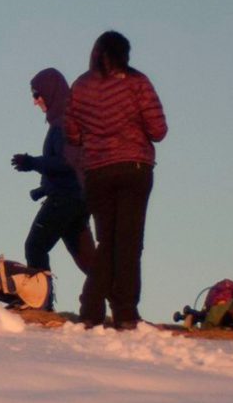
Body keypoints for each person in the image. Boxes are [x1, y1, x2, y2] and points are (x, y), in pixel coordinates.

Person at [64, 30, 167, 329]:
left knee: (106, 240)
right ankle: (125, 312)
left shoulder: (80, 86)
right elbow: (158, 130)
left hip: (97, 171)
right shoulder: (138, 83)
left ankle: (91, 308)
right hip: (134, 167)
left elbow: (71, 133)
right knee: (130, 242)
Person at [11, 68, 96, 298]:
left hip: (65, 199)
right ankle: (123, 305)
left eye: (37, 94)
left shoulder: (64, 124)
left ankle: (41, 302)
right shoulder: (68, 121)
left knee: (35, 246)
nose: (35, 101)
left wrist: (32, 162)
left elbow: (67, 163)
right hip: (78, 200)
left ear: (51, 92)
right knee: (91, 263)